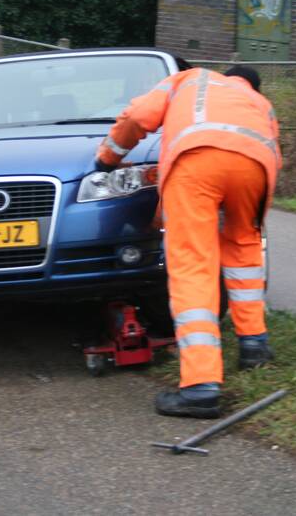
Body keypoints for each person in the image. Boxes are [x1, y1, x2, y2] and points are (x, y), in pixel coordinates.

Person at [95, 64, 282, 418]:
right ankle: (254, 345)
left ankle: (200, 386)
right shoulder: (260, 102)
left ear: (227, 74)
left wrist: (106, 158)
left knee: (194, 264)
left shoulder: (191, 78)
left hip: (197, 161)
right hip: (256, 168)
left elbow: (137, 117)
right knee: (244, 248)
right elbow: (274, 152)